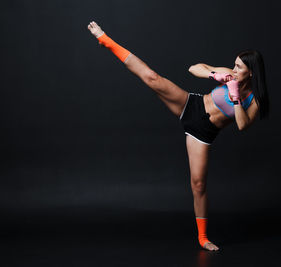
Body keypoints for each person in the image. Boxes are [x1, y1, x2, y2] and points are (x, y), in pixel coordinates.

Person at [87, 21, 269, 251]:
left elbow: (242, 126)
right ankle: (106, 39)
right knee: (152, 77)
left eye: (239, 67)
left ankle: (203, 237)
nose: (233, 70)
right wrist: (215, 75)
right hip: (191, 105)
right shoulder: (228, 74)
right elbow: (194, 68)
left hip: (203, 132)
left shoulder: (254, 100)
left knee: (198, 184)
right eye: (233, 65)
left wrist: (235, 100)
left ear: (251, 72)